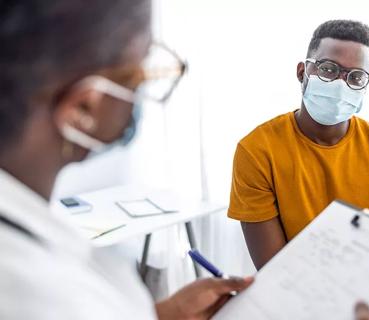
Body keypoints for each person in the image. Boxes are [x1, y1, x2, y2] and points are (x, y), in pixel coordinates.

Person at [0, 1, 253, 319]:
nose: (141, 88)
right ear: (83, 109)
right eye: (139, 71)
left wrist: (165, 314)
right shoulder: (46, 296)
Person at [228, 20, 369, 270]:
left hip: (367, 298)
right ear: (302, 72)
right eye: (329, 69)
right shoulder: (257, 151)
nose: (341, 84)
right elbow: (274, 271)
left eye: (356, 76)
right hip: (289, 296)